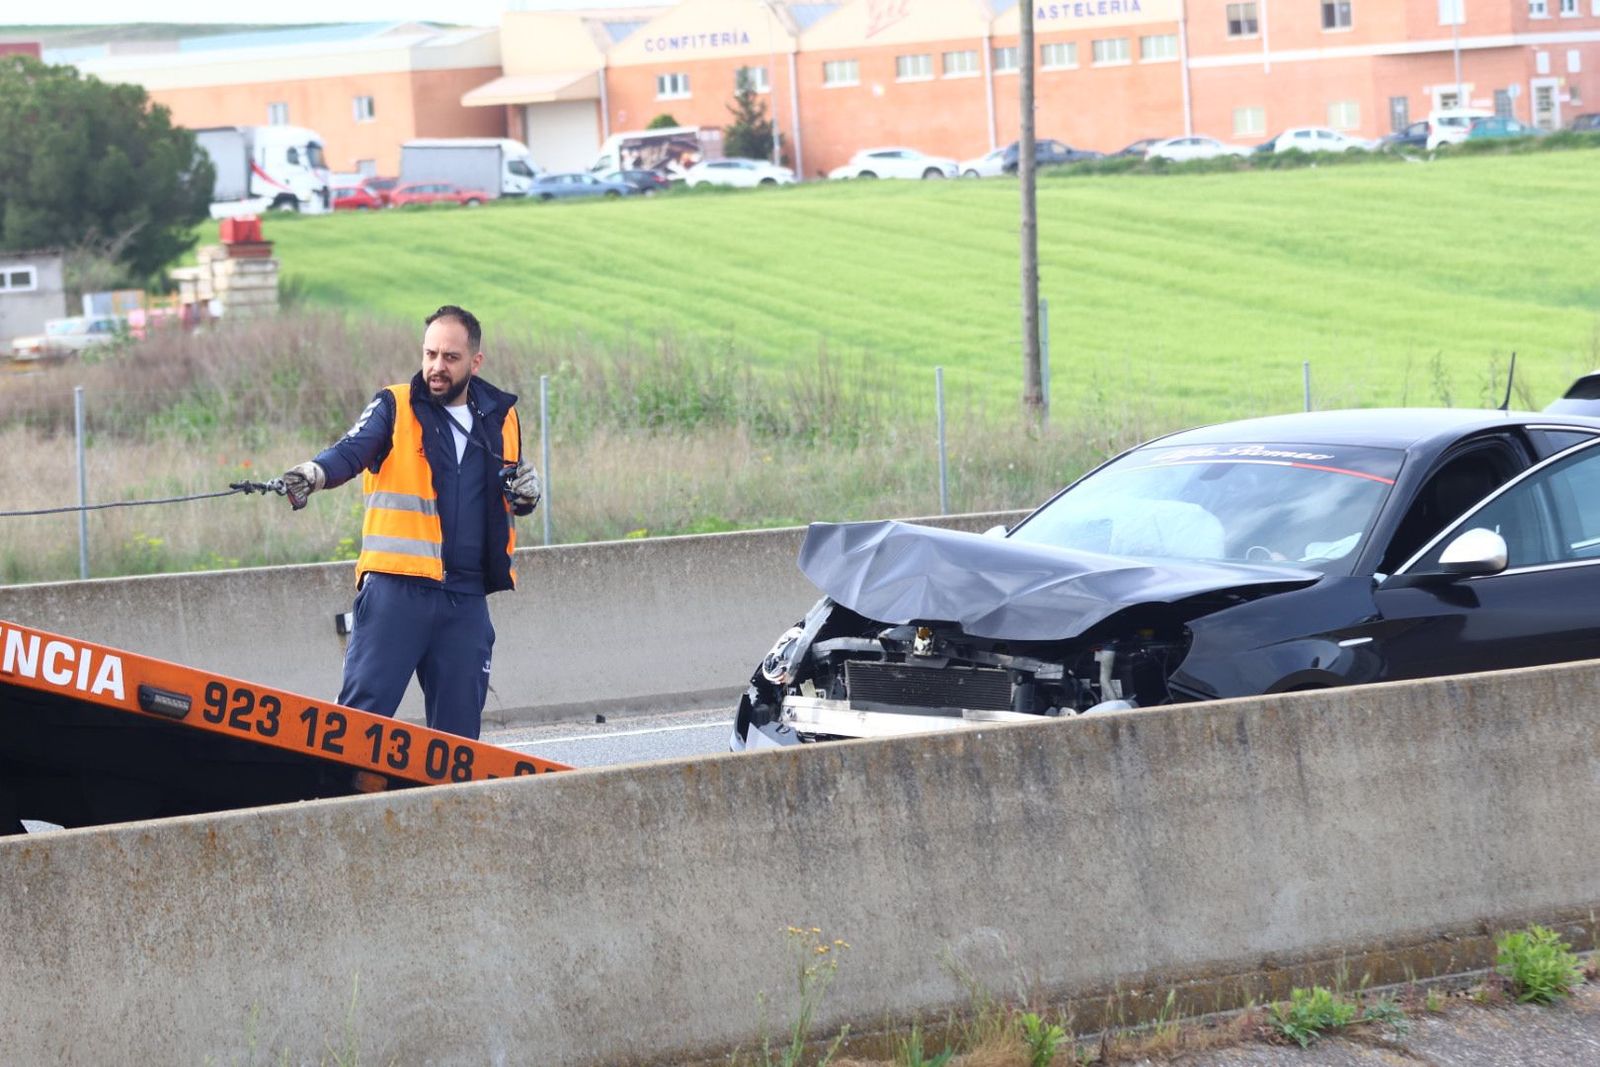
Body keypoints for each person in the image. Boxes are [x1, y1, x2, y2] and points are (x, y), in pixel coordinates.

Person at [280, 305, 541, 739]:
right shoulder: (395, 405)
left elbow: (510, 495)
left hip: (465, 598)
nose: (436, 367)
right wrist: (313, 473)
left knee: (458, 744)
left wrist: (527, 495)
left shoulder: (501, 416)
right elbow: (351, 450)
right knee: (358, 730)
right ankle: (340, 806)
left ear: (475, 362)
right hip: (395, 592)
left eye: (450, 358)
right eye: (430, 354)